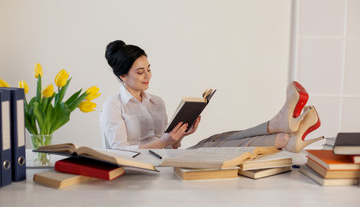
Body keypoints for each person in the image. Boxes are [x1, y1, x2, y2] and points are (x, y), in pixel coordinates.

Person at [99, 40, 323, 153]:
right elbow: (119, 150)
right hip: (148, 167)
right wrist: (164, 141)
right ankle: (282, 132)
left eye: (149, 68)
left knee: (218, 138)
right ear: (122, 75)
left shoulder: (157, 102)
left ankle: (283, 133)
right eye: (140, 72)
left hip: (170, 158)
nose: (147, 75)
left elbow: (172, 146)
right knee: (216, 148)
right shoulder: (114, 105)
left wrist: (180, 136)